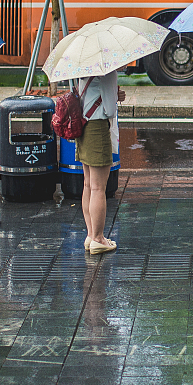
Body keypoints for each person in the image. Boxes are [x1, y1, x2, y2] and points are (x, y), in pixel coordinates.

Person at [76, 70, 125, 254]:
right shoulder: (106, 71)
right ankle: (98, 238)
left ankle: (91, 235)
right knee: (98, 188)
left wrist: (112, 95)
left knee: (88, 184)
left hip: (84, 125)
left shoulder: (82, 67)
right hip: (97, 127)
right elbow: (110, 110)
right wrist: (115, 97)